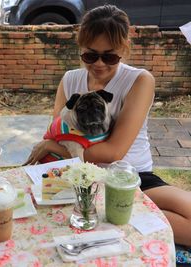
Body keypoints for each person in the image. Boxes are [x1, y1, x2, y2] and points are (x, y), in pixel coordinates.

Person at [25, 5, 191, 246]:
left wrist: (52, 146)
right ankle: (114, 215)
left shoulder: (139, 80)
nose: (99, 64)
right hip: (79, 176)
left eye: (110, 56)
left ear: (124, 48)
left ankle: (114, 214)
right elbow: (59, 132)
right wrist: (56, 145)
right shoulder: (70, 79)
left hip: (131, 175)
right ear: (80, 49)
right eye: (90, 56)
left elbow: (114, 152)